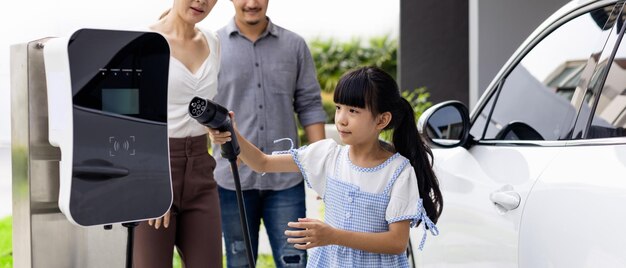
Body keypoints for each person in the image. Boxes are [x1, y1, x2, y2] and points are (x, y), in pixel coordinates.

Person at [210, 66, 443, 267]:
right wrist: (232, 132)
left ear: (382, 120)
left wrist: (332, 236)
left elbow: (396, 242)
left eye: (353, 111)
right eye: (339, 107)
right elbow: (262, 162)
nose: (341, 119)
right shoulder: (328, 156)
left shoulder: (398, 171)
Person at [213, 0, 327, 267]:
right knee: (239, 263)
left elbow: (310, 105)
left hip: (286, 181)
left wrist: (323, 167)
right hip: (233, 182)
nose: (252, 3)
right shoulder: (212, 46)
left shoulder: (295, 45)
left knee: (294, 262)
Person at [132, 0, 223, 267]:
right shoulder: (142, 43)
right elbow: (123, 118)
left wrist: (214, 124)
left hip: (201, 170)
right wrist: (150, 180)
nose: (201, 2)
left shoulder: (213, 41)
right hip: (153, 168)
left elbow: (192, 104)